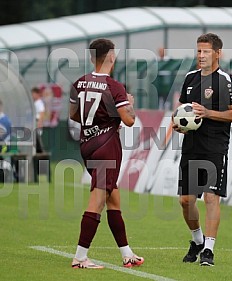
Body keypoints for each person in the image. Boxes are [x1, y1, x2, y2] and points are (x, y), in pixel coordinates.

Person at [69, 38, 144, 269]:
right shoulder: (114, 86)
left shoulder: (79, 83)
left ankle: (127, 253)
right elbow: (129, 120)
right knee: (98, 200)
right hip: (106, 147)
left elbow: (73, 115)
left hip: (88, 144)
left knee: (113, 199)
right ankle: (80, 257)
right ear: (111, 57)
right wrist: (129, 103)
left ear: (92, 58)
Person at [172, 33, 232, 266]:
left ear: (217, 53)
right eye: (198, 51)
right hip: (191, 147)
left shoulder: (226, 81)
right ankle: (197, 240)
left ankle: (209, 250)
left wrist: (208, 113)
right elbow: (183, 111)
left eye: (205, 51)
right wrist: (179, 126)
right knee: (186, 201)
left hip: (215, 148)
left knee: (212, 198)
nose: (200, 55)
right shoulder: (190, 78)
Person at [31, 87, 46, 153]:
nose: (32, 96)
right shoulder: (35, 103)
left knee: (37, 140)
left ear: (37, 94)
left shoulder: (39, 103)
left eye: (33, 94)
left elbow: (42, 113)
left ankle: (41, 153)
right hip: (34, 122)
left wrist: (39, 123)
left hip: (37, 122)